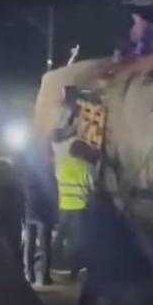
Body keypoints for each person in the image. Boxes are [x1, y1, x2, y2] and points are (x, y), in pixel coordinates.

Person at [77, 190, 153, 305]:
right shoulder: (121, 222)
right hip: (121, 276)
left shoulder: (93, 222)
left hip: (108, 276)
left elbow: (87, 249)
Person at [52, 119, 95, 281]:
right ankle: (73, 269)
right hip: (80, 207)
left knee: (60, 235)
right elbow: (92, 186)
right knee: (77, 239)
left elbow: (58, 180)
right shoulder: (86, 167)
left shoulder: (61, 165)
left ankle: (51, 261)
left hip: (64, 205)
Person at [19, 141, 57, 286]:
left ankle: (29, 275)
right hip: (44, 212)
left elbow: (23, 192)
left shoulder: (27, 172)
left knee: (29, 244)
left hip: (30, 210)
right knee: (45, 245)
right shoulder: (47, 173)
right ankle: (45, 277)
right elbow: (53, 193)